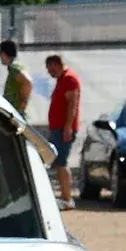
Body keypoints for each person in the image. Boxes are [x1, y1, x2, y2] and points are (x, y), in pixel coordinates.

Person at [44, 54, 82, 211]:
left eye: (50, 68)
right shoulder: (61, 80)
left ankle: (67, 198)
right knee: (58, 162)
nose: (49, 72)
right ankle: (64, 196)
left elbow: (72, 105)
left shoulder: (69, 79)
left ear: (56, 64)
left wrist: (68, 127)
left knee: (62, 162)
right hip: (58, 128)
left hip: (63, 129)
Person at [0, 40, 31, 116]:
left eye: (0, 53)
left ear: (5, 53)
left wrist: (22, 107)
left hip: (15, 114)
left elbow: (27, 82)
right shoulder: (14, 67)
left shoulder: (14, 68)